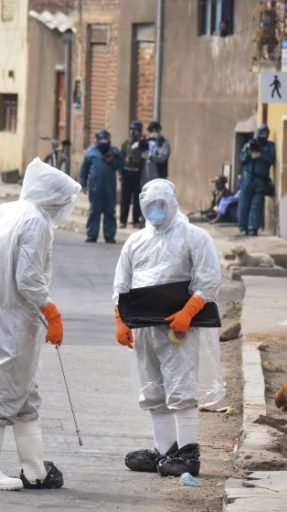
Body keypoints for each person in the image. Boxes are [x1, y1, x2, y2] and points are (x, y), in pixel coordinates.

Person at [0, 158, 79, 491]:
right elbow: (28, 278)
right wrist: (50, 311)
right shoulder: (36, 221)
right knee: (1, 392)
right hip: (16, 319)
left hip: (0, 312)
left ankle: (35, 470)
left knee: (25, 394)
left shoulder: (6, 211)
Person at [113, 179, 224, 478]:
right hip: (144, 329)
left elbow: (209, 279)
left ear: (172, 203)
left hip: (178, 329)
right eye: (150, 206)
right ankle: (165, 451)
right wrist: (120, 320)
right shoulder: (135, 242)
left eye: (161, 205)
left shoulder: (194, 237)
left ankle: (188, 454)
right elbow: (121, 284)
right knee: (153, 390)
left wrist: (189, 311)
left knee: (181, 388)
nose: (156, 211)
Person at [79, 128, 124, 243]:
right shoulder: (91, 152)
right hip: (95, 187)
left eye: (106, 139)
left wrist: (112, 161)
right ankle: (91, 234)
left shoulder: (114, 151)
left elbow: (121, 166)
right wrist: (83, 183)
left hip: (109, 187)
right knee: (94, 210)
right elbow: (84, 169)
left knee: (109, 210)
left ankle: (109, 235)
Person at [238, 123, 275, 236]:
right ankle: (243, 226)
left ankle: (252, 227)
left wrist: (261, 155)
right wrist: (249, 154)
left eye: (265, 133)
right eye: (261, 133)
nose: (263, 135)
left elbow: (272, 160)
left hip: (260, 179)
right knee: (244, 203)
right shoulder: (249, 144)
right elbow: (242, 159)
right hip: (248, 177)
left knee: (256, 205)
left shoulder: (269, 146)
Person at [120, 120, 146, 228]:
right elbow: (121, 158)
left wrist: (142, 142)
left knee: (137, 199)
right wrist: (121, 173)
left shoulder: (142, 143)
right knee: (125, 199)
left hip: (137, 174)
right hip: (127, 172)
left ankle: (135, 220)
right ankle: (123, 221)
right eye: (132, 130)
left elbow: (145, 158)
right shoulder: (126, 143)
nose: (133, 132)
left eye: (135, 130)